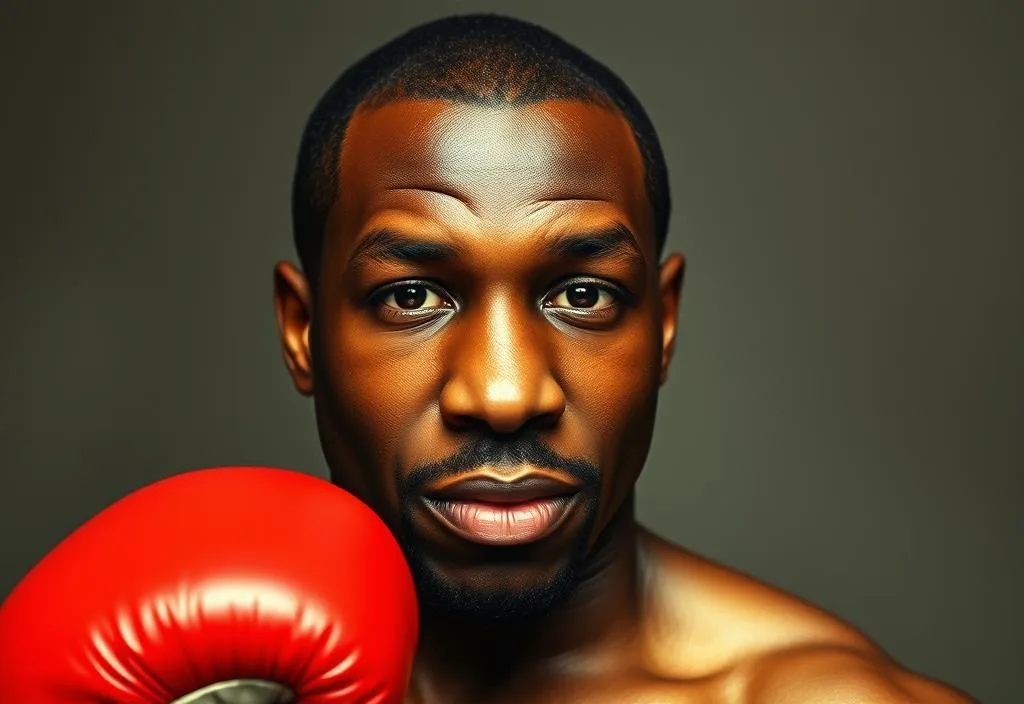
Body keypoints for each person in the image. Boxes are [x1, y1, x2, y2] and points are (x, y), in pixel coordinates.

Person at [273, 13, 975, 704]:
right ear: (302, 330)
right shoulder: (200, 682)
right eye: (413, 296)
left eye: (582, 295)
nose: (506, 394)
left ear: (664, 324)